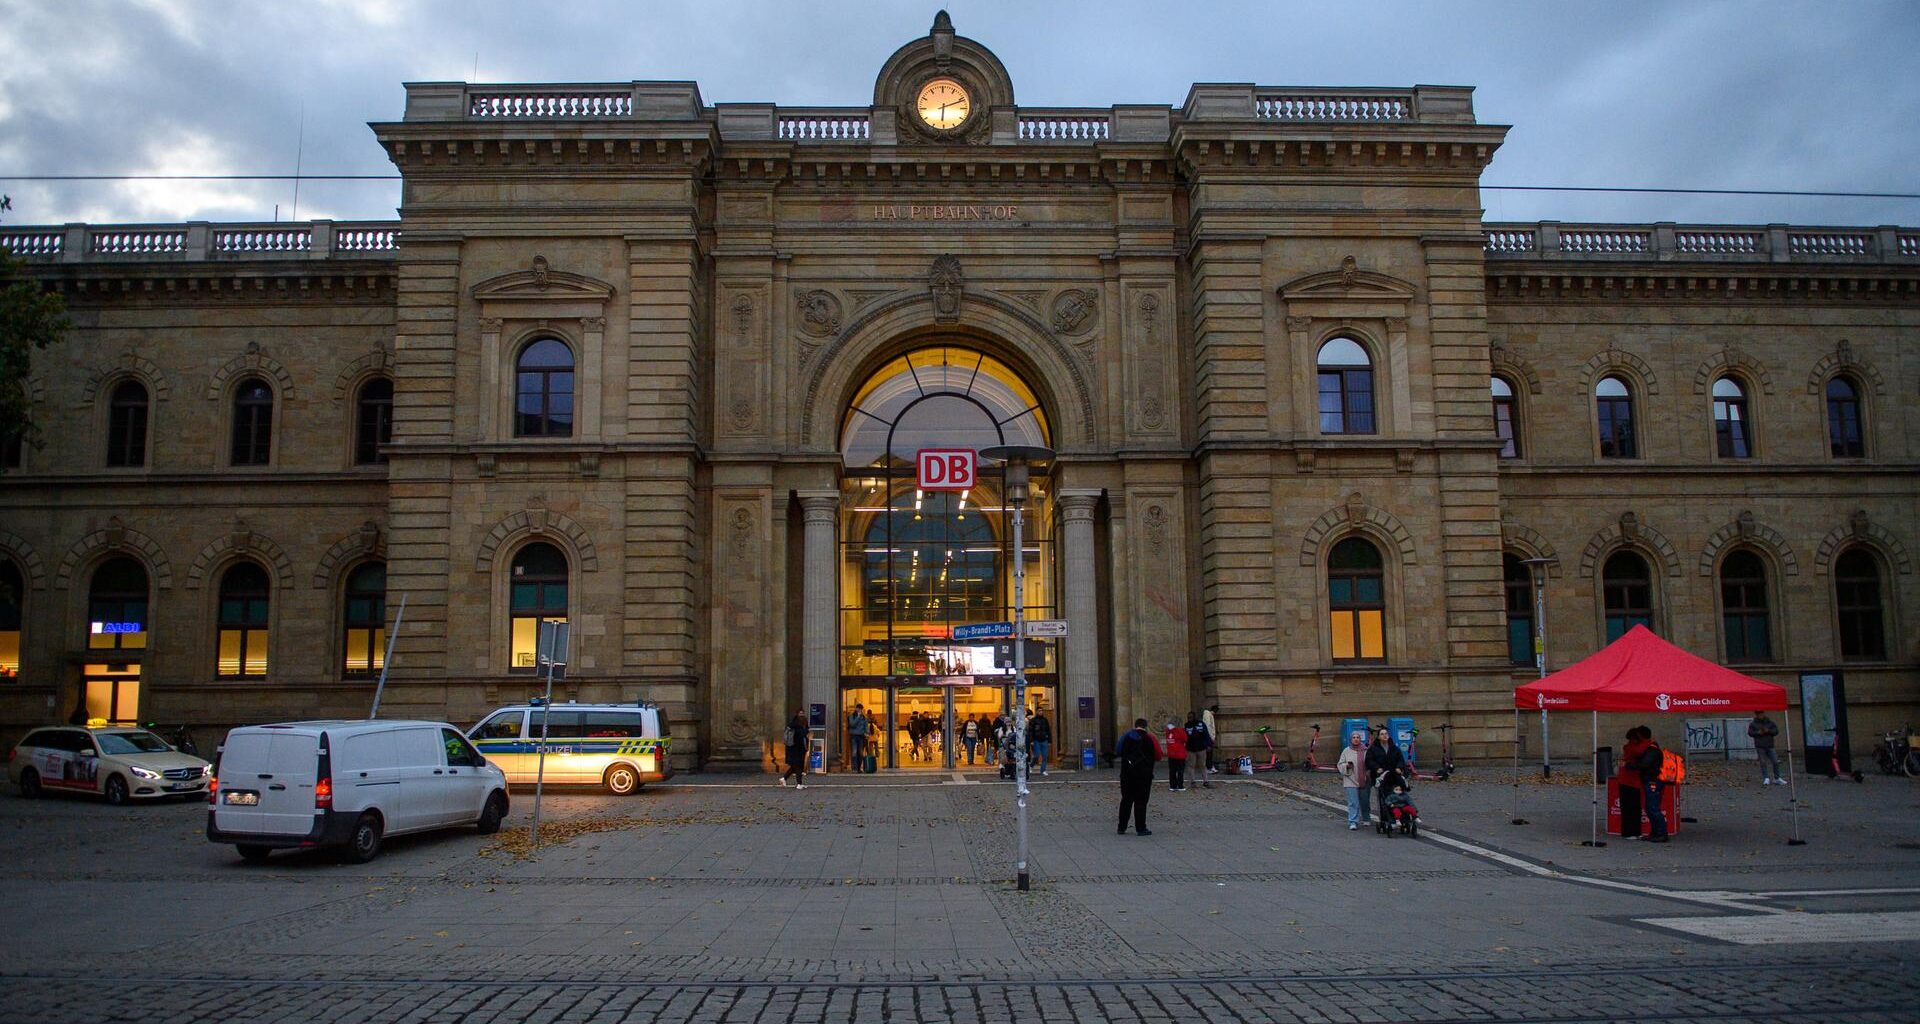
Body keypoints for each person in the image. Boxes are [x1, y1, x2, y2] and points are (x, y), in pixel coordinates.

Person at [1116, 718, 1161, 835]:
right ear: (1145, 726)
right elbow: (1158, 755)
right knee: (1141, 801)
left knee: (1126, 799)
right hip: (1144, 775)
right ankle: (1141, 828)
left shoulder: (1126, 736)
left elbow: (1118, 750)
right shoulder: (1150, 738)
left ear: (1135, 726)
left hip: (1127, 774)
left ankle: (1121, 827)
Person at [1364, 726, 1408, 826]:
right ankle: (1386, 818)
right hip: (1381, 777)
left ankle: (1401, 817)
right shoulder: (1373, 748)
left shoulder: (1394, 748)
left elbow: (1401, 759)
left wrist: (1399, 767)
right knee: (1383, 798)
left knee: (1398, 796)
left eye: (1386, 734)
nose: (1384, 735)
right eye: (1382, 734)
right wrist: (1376, 768)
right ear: (1378, 737)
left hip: (1394, 776)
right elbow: (1369, 760)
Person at [1632, 726, 1670, 842]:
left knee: (1653, 808)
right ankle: (1655, 832)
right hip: (1651, 780)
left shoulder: (1651, 750)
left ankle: (1662, 833)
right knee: (1650, 808)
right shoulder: (1650, 748)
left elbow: (1644, 764)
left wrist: (1631, 765)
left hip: (1653, 781)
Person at [1337, 729, 1370, 830]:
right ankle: (1353, 821)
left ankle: (1366, 818)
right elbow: (1339, 764)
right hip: (1350, 779)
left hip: (1364, 778)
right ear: (1351, 739)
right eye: (1353, 738)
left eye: (1358, 737)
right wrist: (1346, 765)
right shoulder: (1346, 750)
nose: (1356, 739)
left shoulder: (1366, 750)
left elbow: (1371, 763)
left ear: (1360, 739)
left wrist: (1369, 772)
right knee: (1353, 802)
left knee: (1364, 800)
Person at [1748, 710, 1783, 785]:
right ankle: (1766, 778)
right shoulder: (1753, 724)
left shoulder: (1769, 722)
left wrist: (1769, 731)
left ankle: (1777, 778)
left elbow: (1776, 731)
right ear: (1756, 715)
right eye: (1759, 714)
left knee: (1775, 761)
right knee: (1763, 762)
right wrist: (1758, 732)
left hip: (1770, 744)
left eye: (1761, 714)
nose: (1760, 715)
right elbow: (1750, 733)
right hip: (1760, 745)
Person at [779, 711, 808, 789]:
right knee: (798, 766)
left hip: (794, 749)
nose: (802, 715)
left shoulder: (795, 724)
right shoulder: (797, 726)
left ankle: (784, 778)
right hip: (796, 749)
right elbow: (800, 737)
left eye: (803, 714)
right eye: (801, 714)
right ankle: (799, 784)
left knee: (794, 767)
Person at [1186, 712, 1214, 788]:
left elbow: (1206, 734)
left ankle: (1206, 781)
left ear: (1194, 717)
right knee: (1191, 765)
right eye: (1188, 717)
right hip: (1190, 749)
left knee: (1202, 765)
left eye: (1191, 717)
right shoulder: (1186, 725)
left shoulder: (1201, 724)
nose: (1189, 719)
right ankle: (1192, 782)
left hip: (1201, 748)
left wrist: (1208, 744)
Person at [1164, 720, 1189, 791]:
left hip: (1171, 754)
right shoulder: (1180, 731)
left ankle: (1173, 786)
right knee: (1180, 771)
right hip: (1180, 754)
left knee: (1172, 771)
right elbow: (1185, 739)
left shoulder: (1168, 732)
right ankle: (1180, 785)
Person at [1029, 709, 1052, 775]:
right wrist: (1031, 740)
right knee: (1037, 755)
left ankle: (1043, 770)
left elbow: (1048, 730)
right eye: (1039, 711)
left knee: (1045, 756)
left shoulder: (1045, 720)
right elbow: (1031, 731)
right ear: (1036, 712)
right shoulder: (1033, 720)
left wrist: (1049, 740)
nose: (1041, 712)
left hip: (1044, 739)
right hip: (1036, 740)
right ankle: (1031, 766)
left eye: (1041, 711)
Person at [1203, 704, 1220, 775]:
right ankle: (1209, 767)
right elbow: (1208, 727)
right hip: (1208, 738)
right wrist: (1211, 737)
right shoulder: (1208, 715)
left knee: (1209, 753)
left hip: (1209, 737)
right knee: (1209, 753)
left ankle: (1210, 766)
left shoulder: (1209, 715)